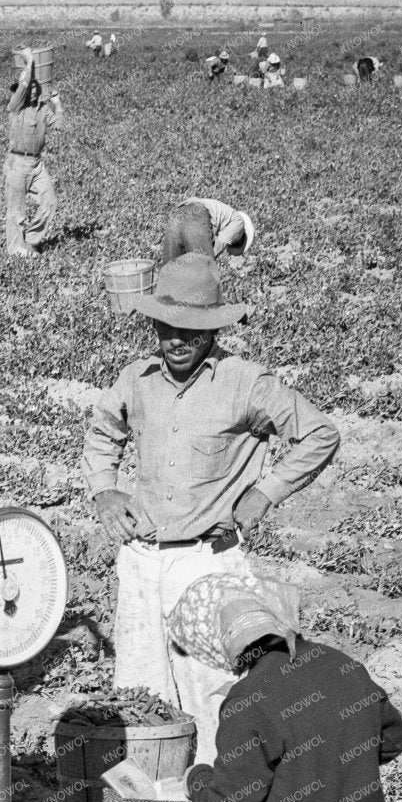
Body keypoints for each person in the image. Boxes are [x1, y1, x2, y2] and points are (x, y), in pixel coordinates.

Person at [83, 253, 340, 758]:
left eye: (193, 331)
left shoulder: (244, 382)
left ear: (214, 330)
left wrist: (265, 493)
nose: (178, 340)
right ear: (154, 323)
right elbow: (102, 432)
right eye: (168, 327)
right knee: (139, 695)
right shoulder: (135, 379)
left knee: (213, 691)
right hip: (141, 559)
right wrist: (104, 488)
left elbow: (319, 434)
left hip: (208, 562)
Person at [89, 575, 402, 802]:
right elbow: (396, 736)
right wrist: (330, 765)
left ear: (226, 647)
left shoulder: (250, 698)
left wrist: (198, 780)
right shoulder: (341, 665)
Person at [4, 49, 63, 256]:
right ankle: (15, 249)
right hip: (17, 164)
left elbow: (61, 125)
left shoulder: (43, 110)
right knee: (16, 211)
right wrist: (30, 61)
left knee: (50, 202)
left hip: (37, 165)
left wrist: (57, 104)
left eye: (36, 87)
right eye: (29, 88)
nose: (33, 90)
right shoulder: (16, 106)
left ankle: (29, 240)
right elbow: (24, 83)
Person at [162, 197, 256, 263]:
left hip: (179, 214)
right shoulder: (239, 222)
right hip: (197, 216)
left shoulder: (223, 215)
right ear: (241, 235)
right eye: (235, 244)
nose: (231, 244)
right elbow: (219, 245)